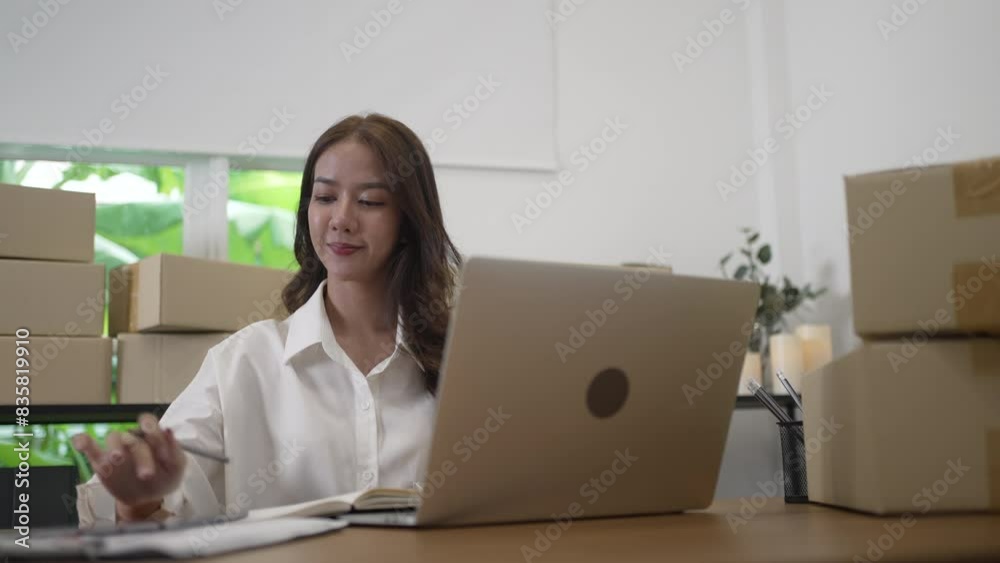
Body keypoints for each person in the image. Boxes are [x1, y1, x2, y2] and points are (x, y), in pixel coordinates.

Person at [71, 113, 463, 525]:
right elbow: (162, 496)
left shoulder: (460, 356)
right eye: (325, 197)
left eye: (369, 201)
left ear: (409, 220)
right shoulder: (245, 360)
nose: (341, 219)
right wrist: (138, 499)